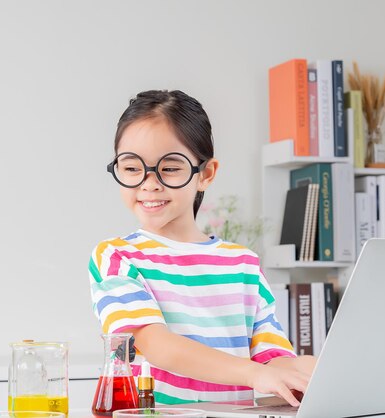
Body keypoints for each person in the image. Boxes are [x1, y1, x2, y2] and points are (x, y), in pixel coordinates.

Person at [89, 90, 316, 406]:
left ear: (205, 174)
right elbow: (157, 346)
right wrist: (254, 375)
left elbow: (272, 357)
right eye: (131, 168)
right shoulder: (116, 257)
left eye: (169, 168)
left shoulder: (243, 263)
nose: (149, 183)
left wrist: (318, 368)